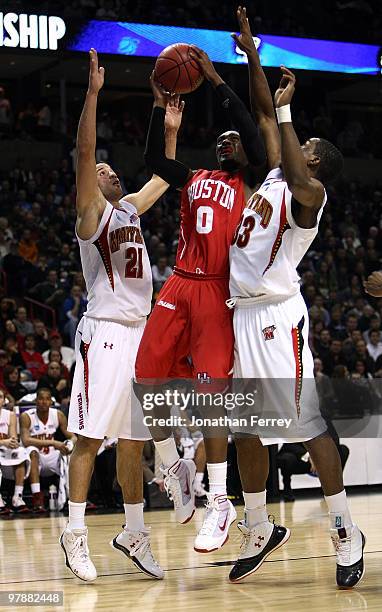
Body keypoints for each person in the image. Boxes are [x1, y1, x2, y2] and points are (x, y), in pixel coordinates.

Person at [226, 7, 364, 588]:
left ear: (316, 162)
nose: (294, 143)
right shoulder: (280, 176)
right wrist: (254, 57)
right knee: (248, 430)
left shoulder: (311, 195)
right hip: (242, 315)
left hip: (278, 319)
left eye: (304, 143)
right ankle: (259, 525)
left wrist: (286, 111)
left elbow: (279, 129)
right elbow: (262, 111)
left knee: (308, 426)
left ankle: (345, 530)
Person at [135, 47, 265, 553]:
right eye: (222, 139)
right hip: (179, 283)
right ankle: (173, 464)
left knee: (212, 403)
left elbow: (254, 135)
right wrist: (157, 108)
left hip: (216, 291)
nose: (229, 141)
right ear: (214, 153)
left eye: (234, 139)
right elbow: (153, 161)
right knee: (146, 375)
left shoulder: (248, 183)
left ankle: (219, 500)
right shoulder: (194, 179)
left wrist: (212, 79)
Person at [59, 48, 183, 582]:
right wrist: (91, 95)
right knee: (89, 438)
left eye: (112, 167)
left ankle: (134, 531)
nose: (105, 167)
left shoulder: (130, 206)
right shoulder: (93, 214)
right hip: (105, 334)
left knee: (134, 439)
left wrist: (170, 123)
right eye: (99, 168)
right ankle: (74, 532)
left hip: (140, 334)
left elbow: (165, 177)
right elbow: (84, 150)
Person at [20, 388, 75, 512]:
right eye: (41, 399)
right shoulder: (27, 416)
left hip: (51, 456)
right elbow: (25, 440)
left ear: (51, 401)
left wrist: (70, 444)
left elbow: (72, 436)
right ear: (36, 401)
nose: (44, 402)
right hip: (35, 457)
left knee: (69, 456)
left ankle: (72, 497)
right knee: (32, 451)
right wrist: (52, 442)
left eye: (47, 399)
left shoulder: (58, 414)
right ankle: (37, 498)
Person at [0, 389, 30, 513]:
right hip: (1, 447)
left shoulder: (10, 415)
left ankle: (17, 497)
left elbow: (12, 436)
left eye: (0, 397)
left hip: (4, 450)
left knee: (21, 453)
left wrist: (13, 442)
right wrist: (3, 442)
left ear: (4, 400)